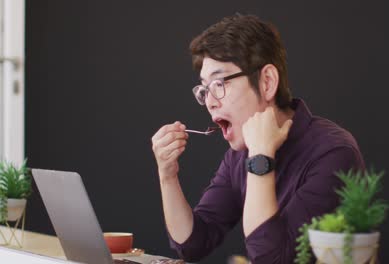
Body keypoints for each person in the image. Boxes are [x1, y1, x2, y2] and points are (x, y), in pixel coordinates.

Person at [151, 14, 365, 263]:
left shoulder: (334, 152)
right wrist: (167, 175)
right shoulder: (239, 155)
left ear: (267, 82)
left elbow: (271, 260)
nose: (209, 101)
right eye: (204, 89)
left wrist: (261, 159)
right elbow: (193, 244)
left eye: (219, 83)